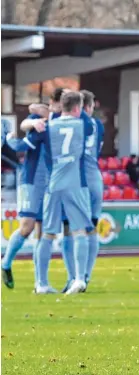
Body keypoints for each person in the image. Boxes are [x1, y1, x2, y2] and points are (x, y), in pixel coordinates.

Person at [23, 92, 94, 294]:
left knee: (47, 233)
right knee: (79, 231)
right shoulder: (83, 124)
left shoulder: (48, 125)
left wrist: (31, 121)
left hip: (53, 183)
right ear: (78, 108)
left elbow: (29, 134)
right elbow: (89, 127)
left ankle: (41, 283)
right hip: (75, 182)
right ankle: (79, 279)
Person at [2, 113, 47, 289]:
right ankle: (5, 263)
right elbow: (20, 146)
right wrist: (8, 138)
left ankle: (40, 282)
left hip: (49, 185)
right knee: (27, 227)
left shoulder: (58, 125)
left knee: (43, 233)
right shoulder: (39, 126)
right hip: (30, 181)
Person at [80, 90, 105, 290]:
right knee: (92, 229)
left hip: (80, 180)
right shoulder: (99, 125)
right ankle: (86, 274)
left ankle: (77, 276)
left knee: (75, 229)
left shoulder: (79, 121)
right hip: (95, 177)